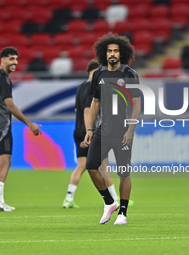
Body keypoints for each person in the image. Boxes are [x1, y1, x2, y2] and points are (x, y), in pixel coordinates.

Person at [84, 33, 141, 225]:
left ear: (121, 53)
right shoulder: (99, 74)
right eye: (109, 51)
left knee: (124, 173)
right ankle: (109, 202)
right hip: (103, 129)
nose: (112, 54)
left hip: (123, 131)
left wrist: (130, 131)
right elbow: (95, 102)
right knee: (91, 166)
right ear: (104, 53)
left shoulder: (129, 74)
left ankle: (123, 213)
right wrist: (90, 129)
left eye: (116, 51)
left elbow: (137, 104)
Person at [0, 47, 41, 212]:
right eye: (11, 59)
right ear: (2, 59)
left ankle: (0, 200)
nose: (15, 62)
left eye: (16, 59)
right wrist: (29, 124)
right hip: (1, 126)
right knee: (6, 160)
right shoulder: (4, 79)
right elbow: (10, 105)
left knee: (0, 161)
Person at [63, 59, 119, 208]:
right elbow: (88, 110)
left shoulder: (80, 87)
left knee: (82, 165)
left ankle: (68, 197)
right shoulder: (92, 87)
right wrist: (91, 130)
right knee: (104, 164)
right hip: (89, 131)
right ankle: (114, 198)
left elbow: (77, 110)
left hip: (77, 129)